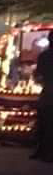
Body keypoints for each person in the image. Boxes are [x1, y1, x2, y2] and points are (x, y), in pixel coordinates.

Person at [31, 31, 53, 162]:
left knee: (43, 122)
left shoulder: (44, 56)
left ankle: (41, 150)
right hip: (48, 93)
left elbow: (38, 76)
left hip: (46, 93)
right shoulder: (44, 56)